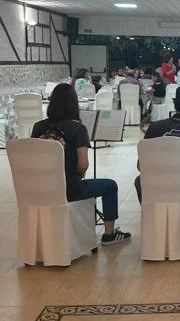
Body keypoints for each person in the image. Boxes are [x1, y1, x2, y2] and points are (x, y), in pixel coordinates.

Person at [31, 84, 131, 245]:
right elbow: (83, 165)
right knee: (110, 186)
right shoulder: (77, 128)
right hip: (68, 189)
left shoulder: (38, 127)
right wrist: (75, 176)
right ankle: (109, 235)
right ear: (73, 104)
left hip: (40, 189)